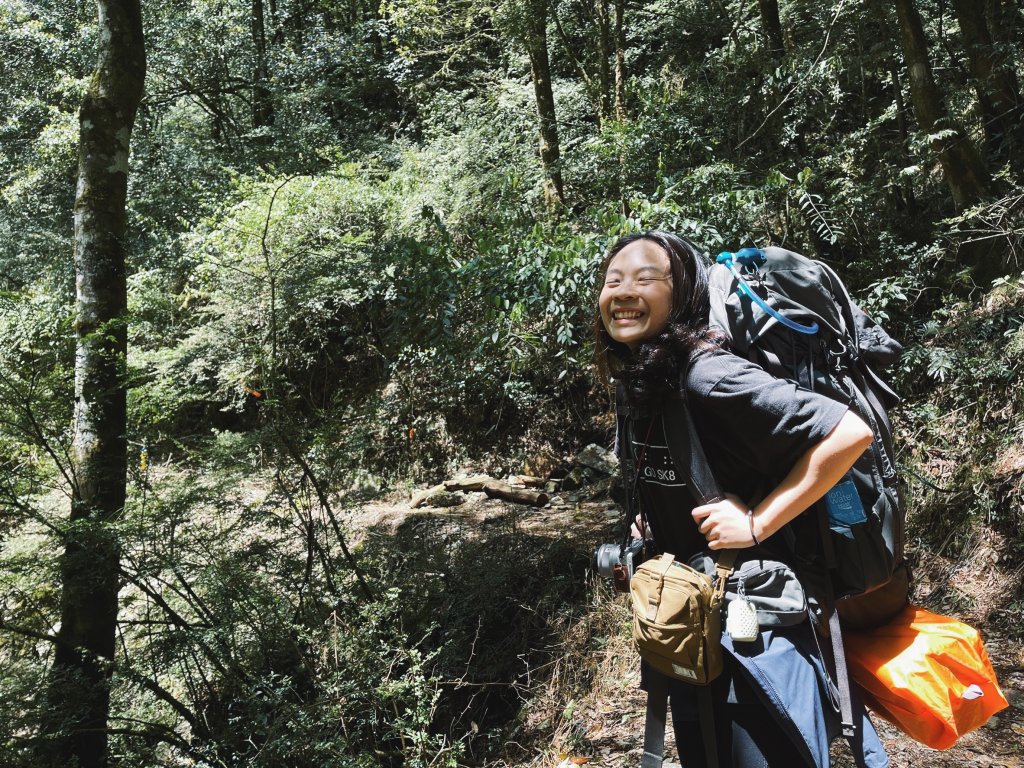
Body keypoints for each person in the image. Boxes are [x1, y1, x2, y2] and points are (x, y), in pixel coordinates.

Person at [595, 230, 889, 767]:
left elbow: (849, 433)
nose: (624, 291)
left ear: (681, 290)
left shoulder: (709, 375)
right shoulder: (641, 377)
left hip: (755, 633)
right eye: (613, 280)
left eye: (645, 278)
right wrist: (648, 524)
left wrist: (756, 523)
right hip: (689, 626)